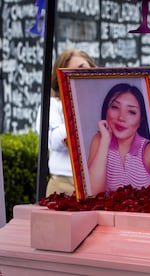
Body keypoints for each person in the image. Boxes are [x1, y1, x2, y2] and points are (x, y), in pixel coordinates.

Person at [36, 48, 97, 197]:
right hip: (63, 185)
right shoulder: (52, 105)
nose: (80, 76)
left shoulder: (103, 103)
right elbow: (52, 141)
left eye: (83, 68)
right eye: (72, 73)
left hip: (97, 184)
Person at [88, 83, 150, 195]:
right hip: (107, 212)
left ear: (141, 120)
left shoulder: (149, 150)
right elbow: (92, 193)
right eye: (115, 107)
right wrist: (105, 141)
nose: (121, 118)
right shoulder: (99, 140)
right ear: (106, 110)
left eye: (131, 112)